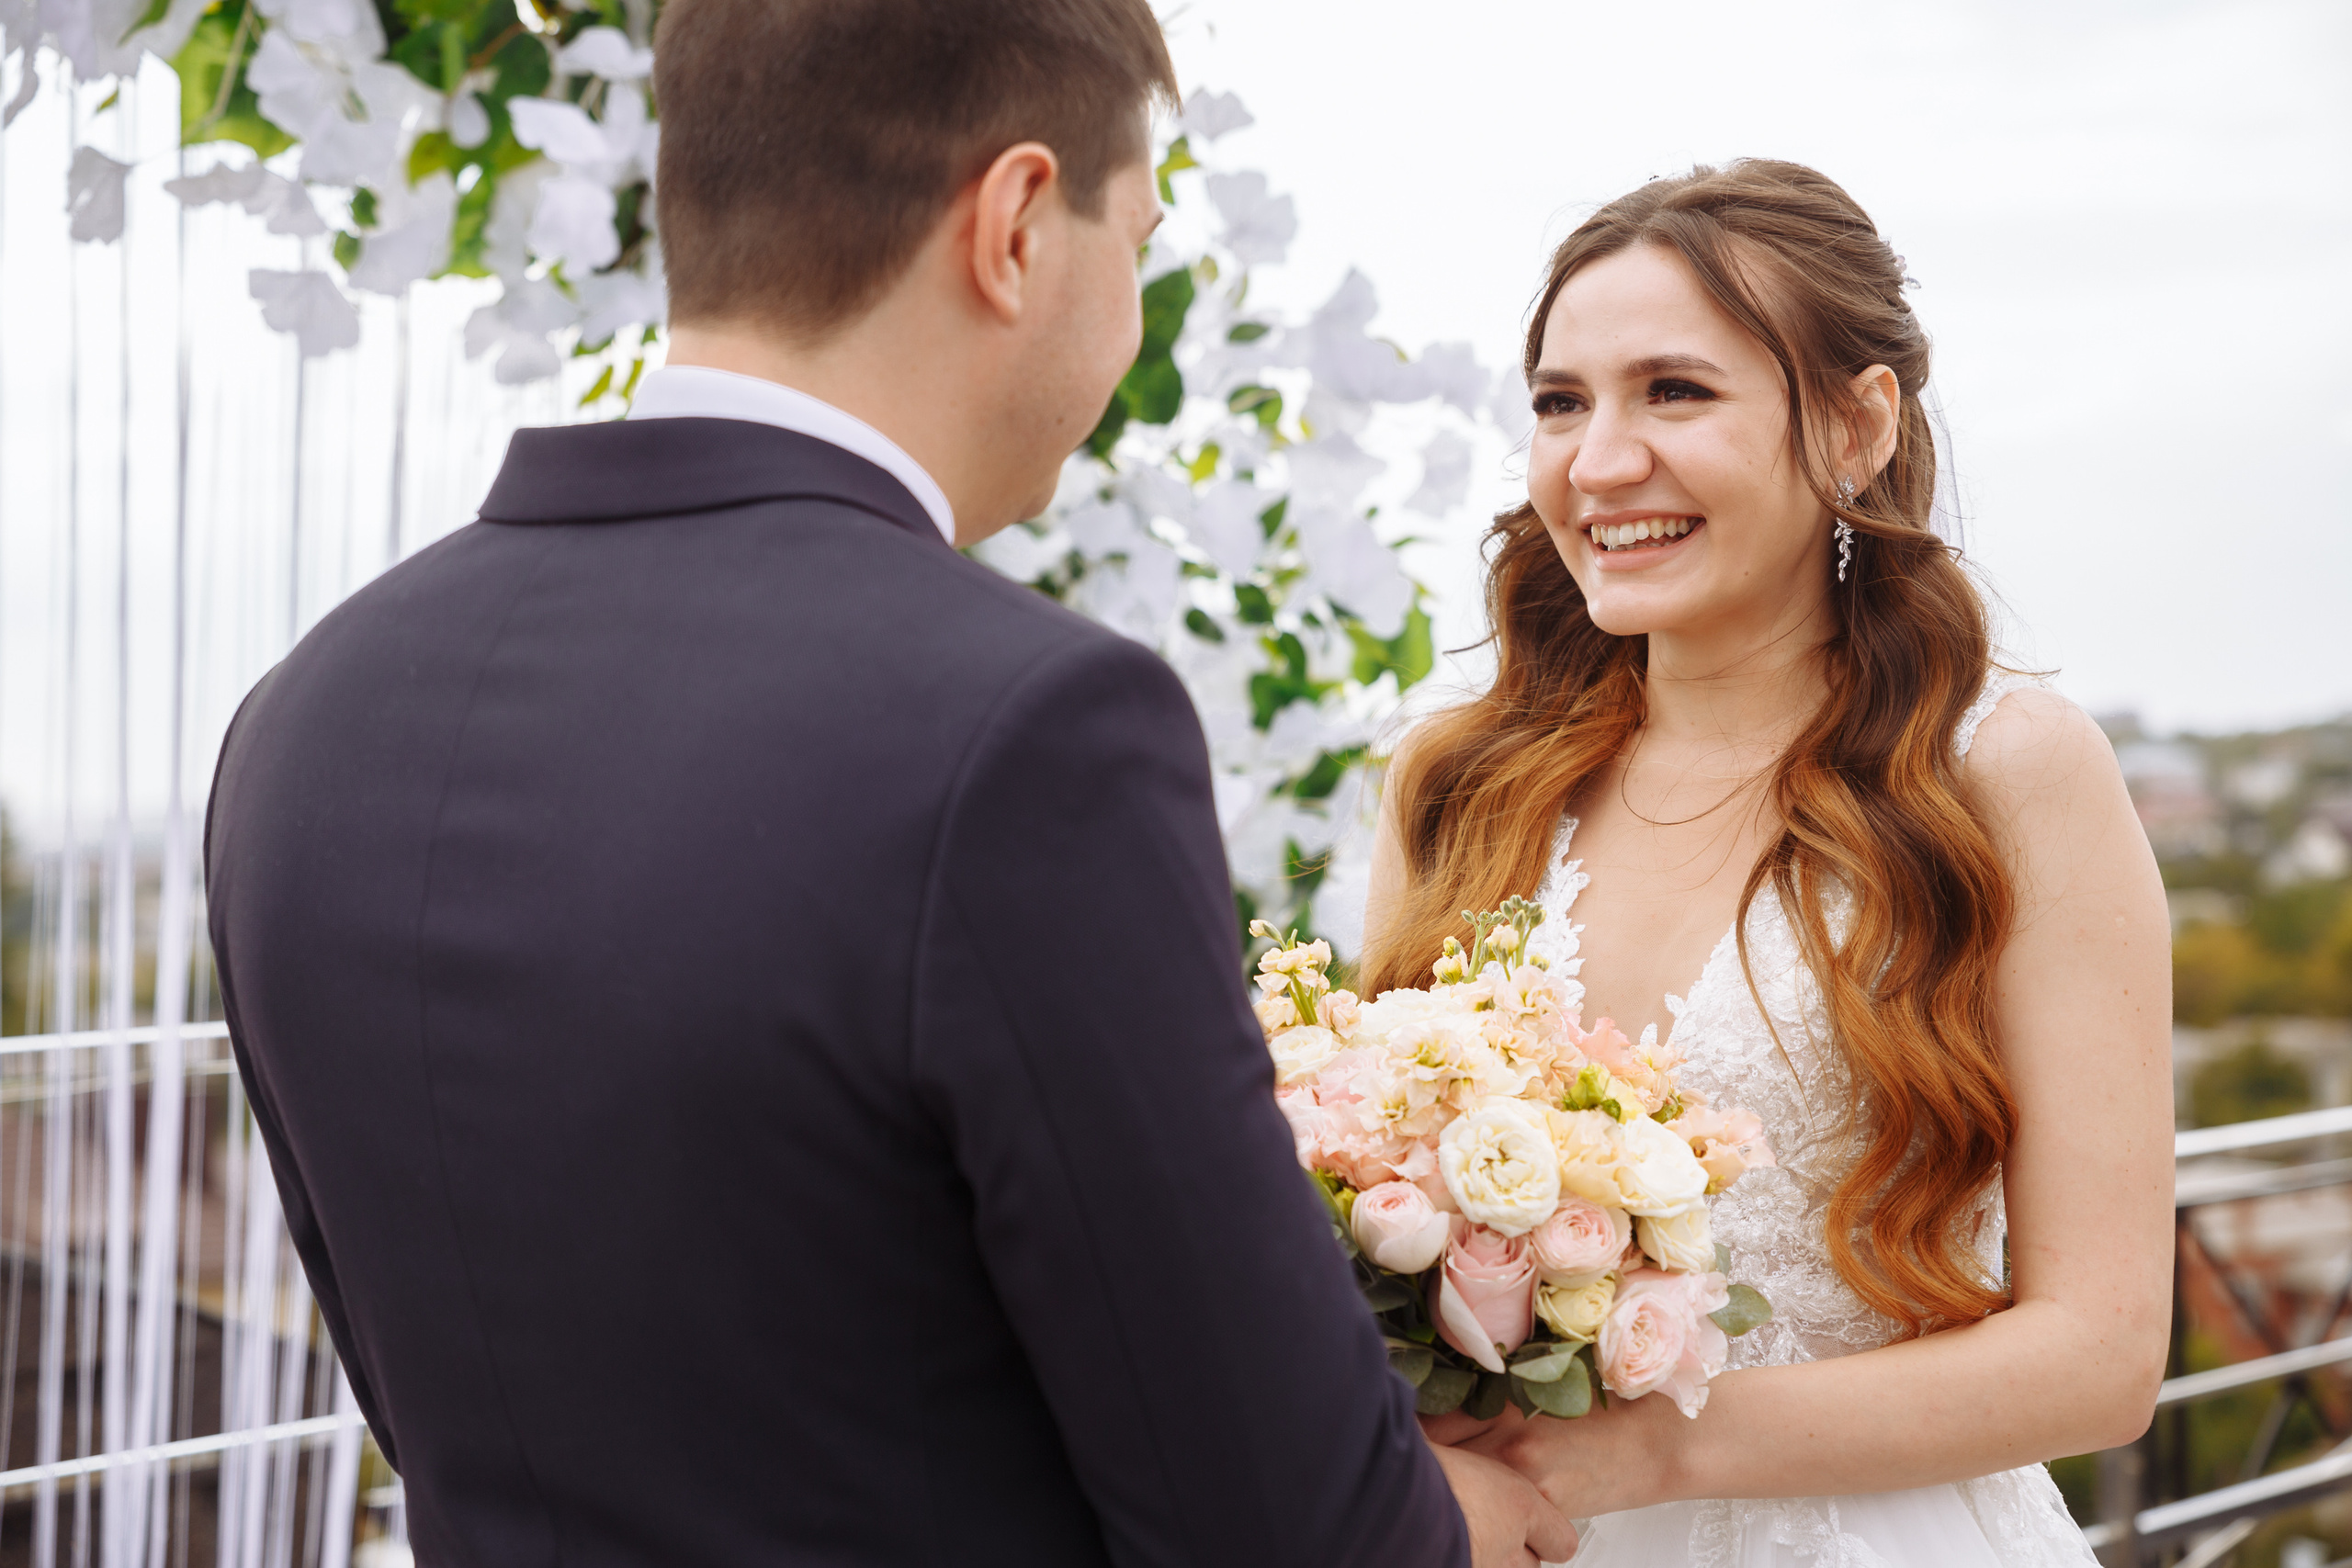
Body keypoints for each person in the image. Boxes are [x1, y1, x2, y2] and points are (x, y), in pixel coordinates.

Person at [202, 1, 1573, 1564]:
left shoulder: (305, 715)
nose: (1131, 317)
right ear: (1014, 228)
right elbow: (1286, 1528)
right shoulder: (1032, 730)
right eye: (1133, 238)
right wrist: (1449, 1508)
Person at [1364, 161, 2174, 1566]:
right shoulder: (1455, 783)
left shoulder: (2006, 772)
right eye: (1561, 401)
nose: (1598, 461)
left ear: (1857, 424)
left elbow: (2101, 1354)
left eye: (1674, 392)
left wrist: (1653, 1448)